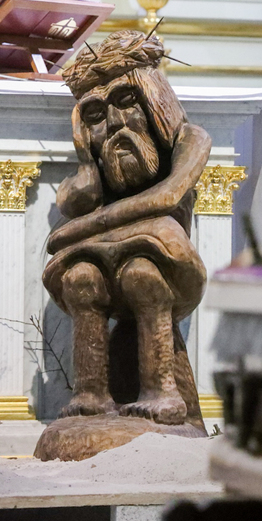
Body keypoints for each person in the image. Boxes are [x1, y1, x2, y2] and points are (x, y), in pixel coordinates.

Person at [43, 30, 211, 431]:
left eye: (125, 101)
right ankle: (90, 395)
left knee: (141, 274)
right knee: (81, 278)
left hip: (165, 263)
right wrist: (90, 176)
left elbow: (166, 198)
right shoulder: (95, 173)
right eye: (97, 115)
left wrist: (92, 225)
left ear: (154, 100)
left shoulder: (189, 139)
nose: (115, 124)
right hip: (104, 260)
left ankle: (163, 393)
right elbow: (61, 224)